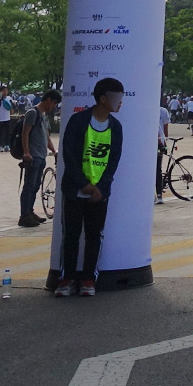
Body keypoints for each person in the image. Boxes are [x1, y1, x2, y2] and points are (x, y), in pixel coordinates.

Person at [56, 78, 124, 297]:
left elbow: (113, 161)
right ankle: (66, 279)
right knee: (71, 235)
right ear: (103, 99)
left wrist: (101, 188)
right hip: (75, 190)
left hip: (99, 194)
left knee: (95, 235)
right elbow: (69, 155)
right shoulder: (78, 121)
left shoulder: (116, 127)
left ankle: (88, 279)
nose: (120, 102)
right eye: (117, 97)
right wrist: (83, 184)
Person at [16, 89, 61, 226]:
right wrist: (26, 152)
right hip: (33, 156)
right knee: (29, 186)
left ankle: (30, 212)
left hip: (41, 156)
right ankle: (24, 215)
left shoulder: (44, 116)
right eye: (54, 103)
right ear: (49, 100)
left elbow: (46, 136)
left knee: (35, 186)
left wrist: (53, 151)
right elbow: (25, 133)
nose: (54, 107)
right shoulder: (32, 113)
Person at [0, 85, 15, 152]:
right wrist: (1, 99)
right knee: (0, 133)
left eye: (6, 90)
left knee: (7, 132)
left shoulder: (9, 98)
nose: (5, 92)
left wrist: (12, 105)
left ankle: (7, 145)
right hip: (0, 118)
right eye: (3, 91)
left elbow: (12, 105)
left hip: (7, 118)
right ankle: (0, 146)